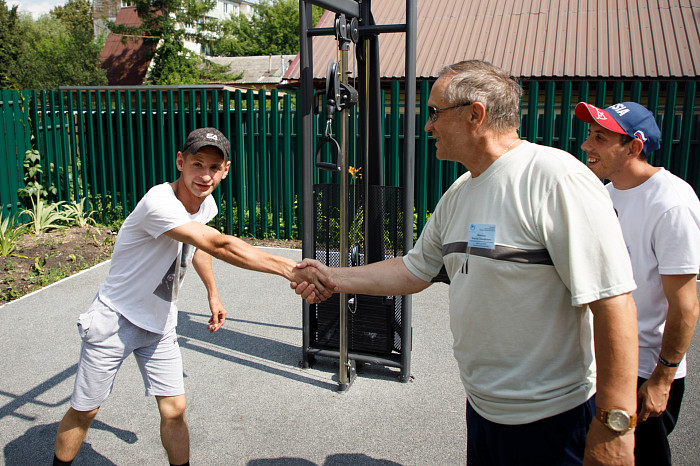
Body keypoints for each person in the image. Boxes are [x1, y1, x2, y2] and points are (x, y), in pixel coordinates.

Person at [294, 60, 640, 465]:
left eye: (436, 112)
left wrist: (614, 428)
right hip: (483, 411)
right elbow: (412, 270)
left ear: (475, 114)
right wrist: (331, 276)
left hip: (551, 420)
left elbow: (613, 302)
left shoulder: (555, 177)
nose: (428, 126)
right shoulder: (461, 190)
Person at [53, 127, 333, 466]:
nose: (205, 175)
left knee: (175, 410)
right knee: (86, 410)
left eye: (214, 168)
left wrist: (213, 295)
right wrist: (291, 270)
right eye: (197, 164)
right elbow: (218, 243)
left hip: (160, 321)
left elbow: (199, 248)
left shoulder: (205, 203)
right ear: (180, 162)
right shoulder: (159, 202)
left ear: (225, 170)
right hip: (116, 318)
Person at [576, 101, 700, 466]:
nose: (587, 145)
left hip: (645, 369)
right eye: (589, 135)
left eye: (600, 137)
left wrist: (662, 379)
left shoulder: (672, 204)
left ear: (634, 146)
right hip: (603, 360)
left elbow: (686, 305)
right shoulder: (606, 194)